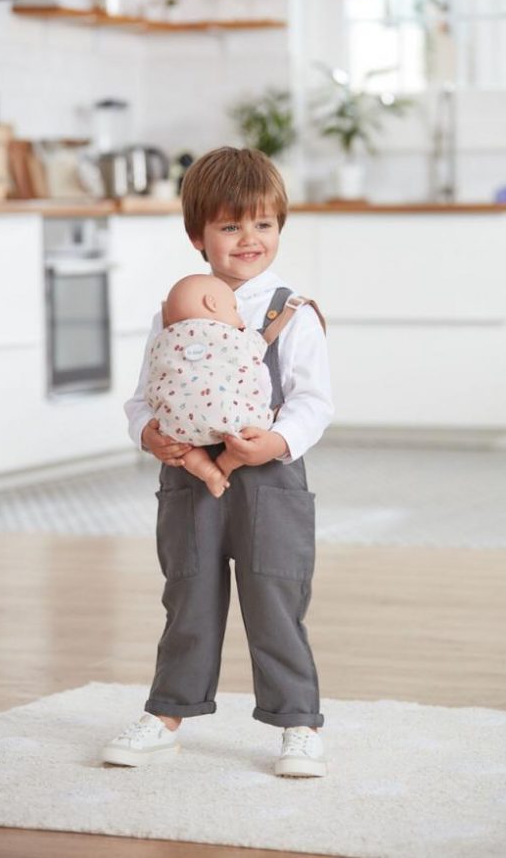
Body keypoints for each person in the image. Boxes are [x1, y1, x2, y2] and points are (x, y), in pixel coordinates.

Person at [102, 146, 334, 778]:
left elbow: (314, 402)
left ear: (280, 227)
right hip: (188, 479)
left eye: (263, 223)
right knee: (189, 598)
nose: (249, 238)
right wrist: (148, 434)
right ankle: (166, 715)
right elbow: (143, 397)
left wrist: (276, 442)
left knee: (275, 598)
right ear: (197, 236)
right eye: (231, 226)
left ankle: (299, 723)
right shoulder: (171, 314)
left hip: (270, 482)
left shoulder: (293, 313)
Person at [146, 272, 273, 497]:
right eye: (234, 309)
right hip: (233, 419)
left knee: (182, 447)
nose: (240, 318)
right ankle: (227, 463)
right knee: (251, 436)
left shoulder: (164, 339)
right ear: (212, 303)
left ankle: (207, 471)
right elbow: (260, 373)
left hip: (176, 422)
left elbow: (152, 380)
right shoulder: (240, 337)